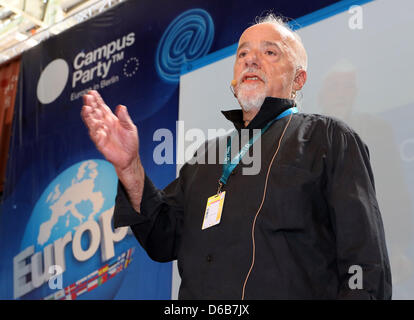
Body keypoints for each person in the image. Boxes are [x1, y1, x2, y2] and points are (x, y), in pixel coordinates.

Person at [81, 14, 392, 299]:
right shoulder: (207, 157)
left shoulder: (329, 139)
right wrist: (129, 167)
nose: (251, 60)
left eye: (270, 52)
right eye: (243, 53)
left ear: (298, 80)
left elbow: (364, 264)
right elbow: (162, 238)